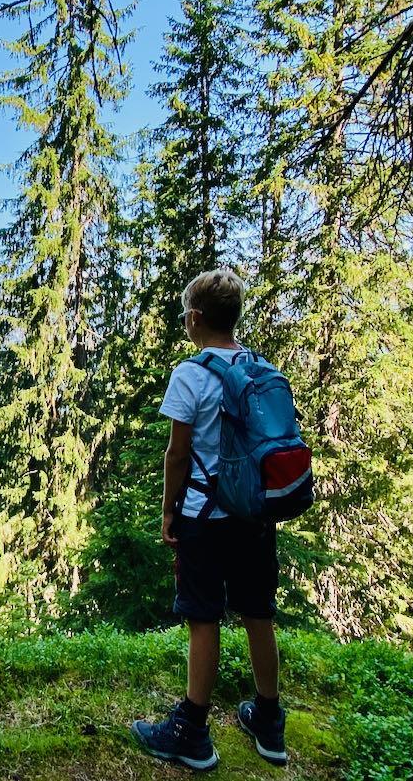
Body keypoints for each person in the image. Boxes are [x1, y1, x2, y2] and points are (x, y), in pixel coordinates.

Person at [131, 269, 288, 771]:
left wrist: (168, 510)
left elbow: (177, 454)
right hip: (254, 515)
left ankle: (193, 732)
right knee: (258, 613)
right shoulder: (259, 368)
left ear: (195, 318)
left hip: (205, 515)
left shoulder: (191, 375)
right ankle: (269, 720)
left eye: (185, 314)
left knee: (204, 618)